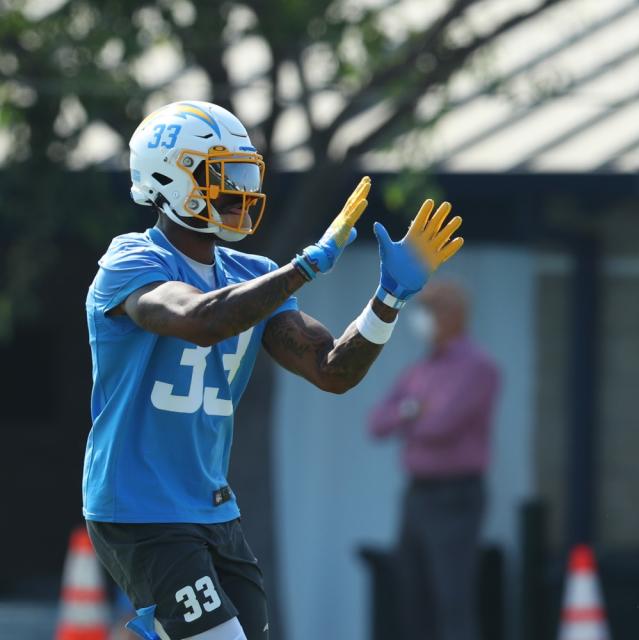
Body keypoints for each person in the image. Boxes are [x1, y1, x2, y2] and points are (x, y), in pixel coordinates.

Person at [82, 100, 464, 640]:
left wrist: (388, 299)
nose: (238, 191)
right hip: (139, 504)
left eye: (242, 174)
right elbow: (200, 318)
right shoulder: (132, 261)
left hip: (211, 508)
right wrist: (303, 268)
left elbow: (332, 371)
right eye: (220, 175)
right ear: (167, 177)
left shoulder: (251, 273)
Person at [368, 279, 500, 640]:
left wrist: (408, 415)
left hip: (455, 496)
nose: (423, 319)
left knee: (451, 599)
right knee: (413, 597)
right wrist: (414, 410)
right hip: (417, 494)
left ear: (455, 315)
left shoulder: (476, 367)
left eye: (432, 309)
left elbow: (441, 425)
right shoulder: (420, 370)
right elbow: (377, 423)